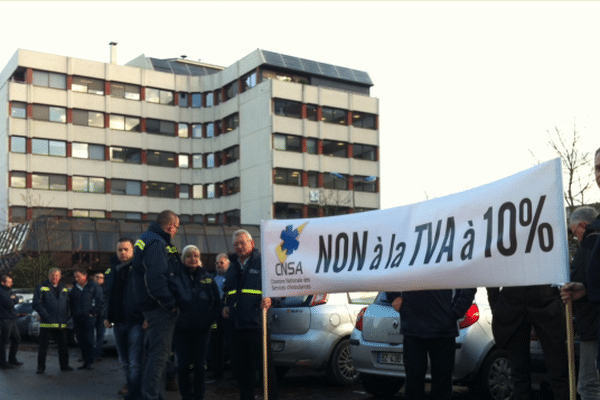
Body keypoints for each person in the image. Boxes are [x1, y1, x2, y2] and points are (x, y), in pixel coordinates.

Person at [386, 288, 475, 400]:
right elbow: (388, 272)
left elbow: (467, 282)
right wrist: (393, 295)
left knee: (442, 386)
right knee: (413, 384)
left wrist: (456, 311)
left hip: (443, 330)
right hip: (413, 327)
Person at [131, 210, 181, 400]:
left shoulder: (147, 238)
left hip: (149, 306)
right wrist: (170, 303)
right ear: (170, 225)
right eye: (176, 226)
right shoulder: (157, 242)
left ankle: (153, 394)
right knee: (160, 356)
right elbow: (156, 278)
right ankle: (150, 395)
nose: (175, 230)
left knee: (153, 355)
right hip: (159, 308)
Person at [487, 282, 569, 399]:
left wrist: (496, 305)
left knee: (557, 373)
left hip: (527, 303)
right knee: (522, 376)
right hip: (536, 303)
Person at [222, 229, 278, 400]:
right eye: (236, 244)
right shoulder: (232, 268)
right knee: (242, 371)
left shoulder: (264, 264)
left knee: (265, 371)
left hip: (257, 325)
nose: (239, 246)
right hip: (237, 327)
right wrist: (225, 305)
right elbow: (227, 292)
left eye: (243, 242)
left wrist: (271, 300)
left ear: (252, 243)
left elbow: (278, 287)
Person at [560, 206, 600, 400]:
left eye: (575, 232)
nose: (576, 237)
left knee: (588, 386)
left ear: (582, 226)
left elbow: (584, 279)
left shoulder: (591, 245)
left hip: (593, 327)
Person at [173, 245, 221, 400]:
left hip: (202, 330)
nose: (192, 259)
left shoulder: (207, 278)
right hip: (181, 329)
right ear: (183, 258)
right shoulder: (176, 277)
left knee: (200, 365)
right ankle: (186, 395)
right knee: (183, 366)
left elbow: (216, 302)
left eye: (195, 256)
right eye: (189, 256)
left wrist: (209, 320)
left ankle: (199, 395)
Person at [104, 237, 146, 400]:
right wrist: (106, 316)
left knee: (135, 362)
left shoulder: (139, 269)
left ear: (133, 251)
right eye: (119, 250)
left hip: (136, 321)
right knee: (125, 362)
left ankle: (135, 394)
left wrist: (147, 316)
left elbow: (146, 294)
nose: (122, 252)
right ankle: (132, 391)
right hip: (118, 322)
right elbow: (108, 295)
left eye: (125, 249)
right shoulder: (113, 270)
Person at [32, 267, 73, 374]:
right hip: (47, 323)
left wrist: (67, 316)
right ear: (49, 276)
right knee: (43, 347)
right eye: (53, 275)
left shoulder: (64, 288)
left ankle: (64, 365)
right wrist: (46, 316)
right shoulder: (41, 287)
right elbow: (36, 304)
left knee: (63, 346)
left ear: (60, 277)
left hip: (61, 323)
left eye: (57, 275)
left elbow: (68, 303)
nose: (55, 277)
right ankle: (41, 367)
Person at [69, 268, 104, 370]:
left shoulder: (94, 286)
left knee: (89, 339)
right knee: (80, 340)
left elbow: (99, 301)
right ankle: (84, 360)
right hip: (77, 318)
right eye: (75, 277)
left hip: (89, 318)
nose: (77, 279)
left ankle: (90, 361)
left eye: (78, 276)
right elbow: (71, 302)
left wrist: (93, 313)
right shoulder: (75, 288)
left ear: (85, 276)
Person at [208, 253, 232, 381]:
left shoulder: (232, 277)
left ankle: (234, 374)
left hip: (228, 314)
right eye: (217, 263)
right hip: (216, 314)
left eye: (221, 263)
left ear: (228, 263)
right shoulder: (211, 278)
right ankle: (217, 373)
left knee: (231, 342)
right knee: (215, 342)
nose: (218, 265)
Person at [0, 275, 22, 369]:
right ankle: (2, 362)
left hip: (12, 318)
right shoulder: (1, 291)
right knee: (4, 341)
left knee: (17, 338)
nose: (11, 283)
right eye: (9, 282)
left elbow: (16, 299)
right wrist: (12, 299)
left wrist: (13, 299)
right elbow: (9, 303)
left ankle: (12, 359)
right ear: (3, 282)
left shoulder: (9, 290)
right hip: (5, 318)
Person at [93, 271, 106, 362]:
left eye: (101, 277)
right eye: (97, 277)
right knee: (88, 335)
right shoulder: (90, 288)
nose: (99, 279)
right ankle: (88, 354)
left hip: (101, 316)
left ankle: (98, 354)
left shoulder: (106, 289)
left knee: (100, 335)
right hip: (91, 315)